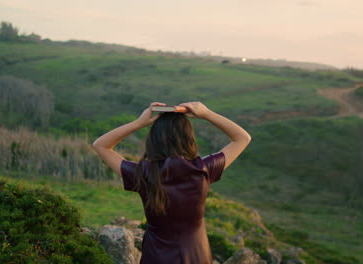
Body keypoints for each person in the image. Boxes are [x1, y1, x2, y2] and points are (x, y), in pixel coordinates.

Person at [92, 101, 251, 264]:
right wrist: (206, 113)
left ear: (154, 139)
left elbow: (101, 145)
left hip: (156, 257)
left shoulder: (143, 172)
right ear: (188, 137)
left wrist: (139, 123)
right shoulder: (203, 169)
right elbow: (242, 138)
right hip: (197, 256)